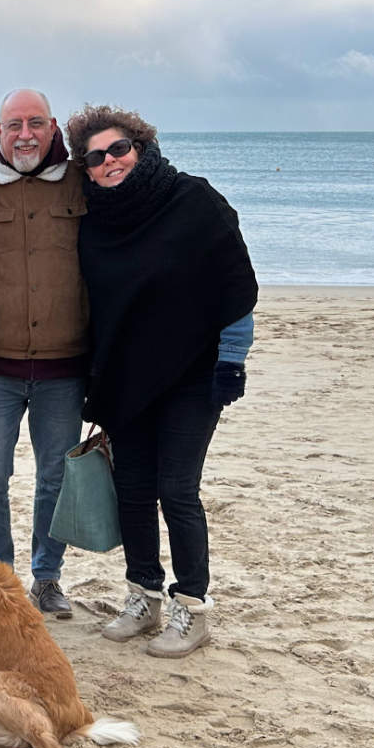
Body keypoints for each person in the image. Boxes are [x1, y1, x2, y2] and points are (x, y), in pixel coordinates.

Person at [65, 105, 257, 657]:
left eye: (119, 149)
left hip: (195, 375)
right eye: (96, 157)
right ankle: (143, 596)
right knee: (132, 490)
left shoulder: (194, 200)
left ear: (141, 147)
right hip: (128, 377)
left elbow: (238, 286)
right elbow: (96, 308)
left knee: (176, 490)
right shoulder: (95, 221)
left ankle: (192, 607)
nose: (109, 163)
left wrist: (231, 362)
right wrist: (92, 376)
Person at [0, 89, 89, 619]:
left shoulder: (83, 182)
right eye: (14, 124)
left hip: (65, 366)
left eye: (35, 122)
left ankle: (48, 577)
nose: (25, 134)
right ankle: (0, 581)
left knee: (54, 481)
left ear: (53, 126)